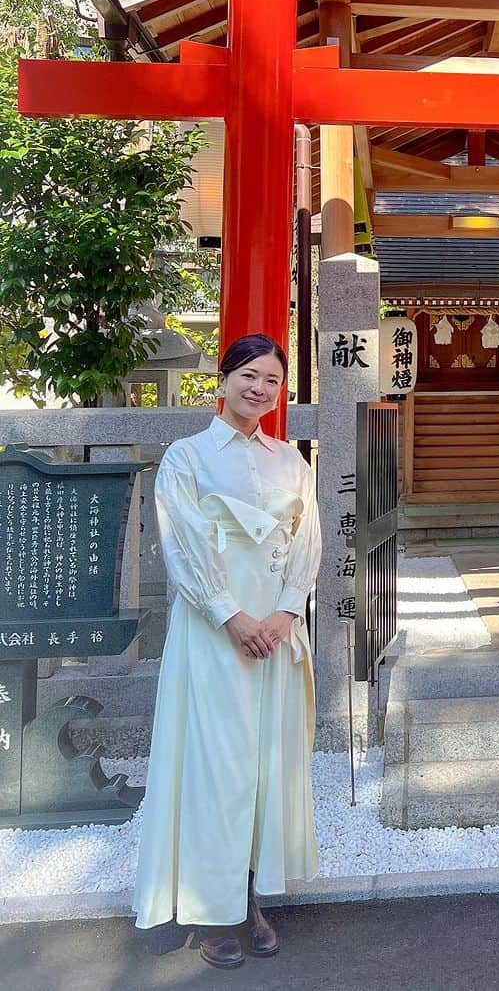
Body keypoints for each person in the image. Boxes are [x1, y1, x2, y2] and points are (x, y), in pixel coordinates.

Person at [133, 334, 321, 969]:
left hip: (276, 632)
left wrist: (281, 614)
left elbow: (308, 543)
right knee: (217, 767)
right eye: (249, 374)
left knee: (267, 763)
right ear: (223, 377)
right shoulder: (186, 459)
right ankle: (213, 912)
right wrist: (232, 617)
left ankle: (250, 898)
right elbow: (180, 544)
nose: (260, 389)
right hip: (216, 636)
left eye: (272, 379)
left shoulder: (292, 461)